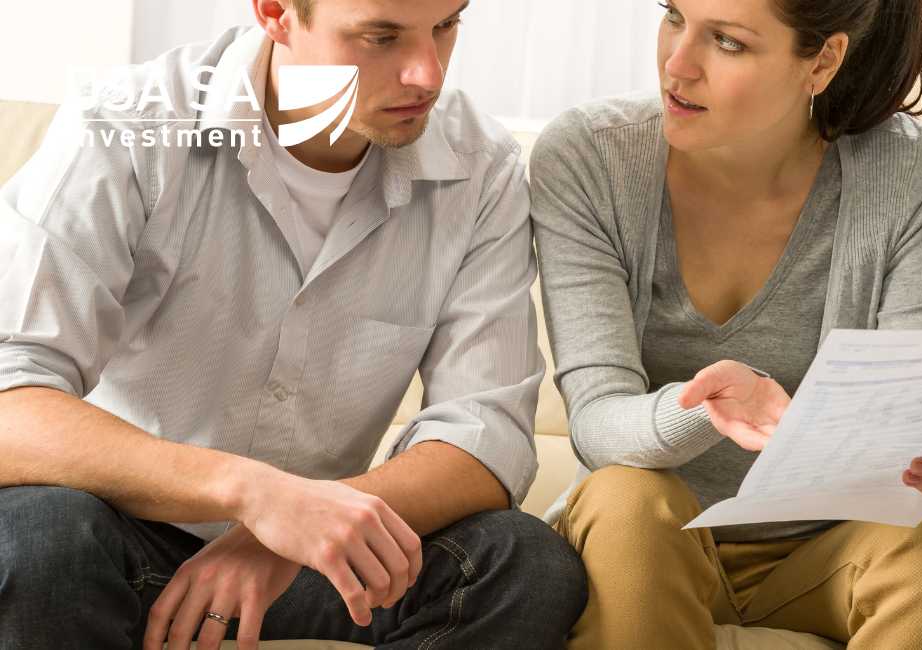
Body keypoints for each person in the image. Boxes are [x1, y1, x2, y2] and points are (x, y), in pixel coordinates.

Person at [0, 1, 587, 648]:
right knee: (36, 532)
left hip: (318, 561)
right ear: (276, 12)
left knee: (522, 565)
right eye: (381, 36)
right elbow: (12, 405)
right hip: (112, 540)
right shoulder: (125, 124)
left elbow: (486, 442)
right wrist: (256, 496)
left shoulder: (481, 171)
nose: (427, 73)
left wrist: (287, 537)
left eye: (447, 26)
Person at [530, 0, 922, 648]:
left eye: (727, 42)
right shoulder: (589, 158)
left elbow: (906, 415)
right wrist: (709, 407)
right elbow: (596, 421)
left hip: (829, 550)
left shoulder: (911, 174)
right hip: (649, 540)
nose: (677, 64)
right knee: (626, 502)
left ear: (822, 61)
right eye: (673, 15)